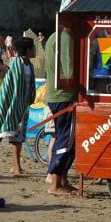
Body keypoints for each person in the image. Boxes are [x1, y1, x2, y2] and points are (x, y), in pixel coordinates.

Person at [0, 38, 36, 176]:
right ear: (27, 50)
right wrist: (16, 102)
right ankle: (15, 167)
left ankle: (16, 166)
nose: (35, 50)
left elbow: (28, 84)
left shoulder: (29, 65)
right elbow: (10, 86)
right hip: (14, 104)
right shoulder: (16, 63)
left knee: (19, 135)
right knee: (15, 134)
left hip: (23, 104)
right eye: (33, 48)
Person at [44, 32, 76, 195]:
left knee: (64, 138)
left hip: (56, 95)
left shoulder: (53, 36)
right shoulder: (66, 38)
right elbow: (69, 71)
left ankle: (63, 181)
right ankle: (55, 184)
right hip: (64, 96)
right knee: (66, 140)